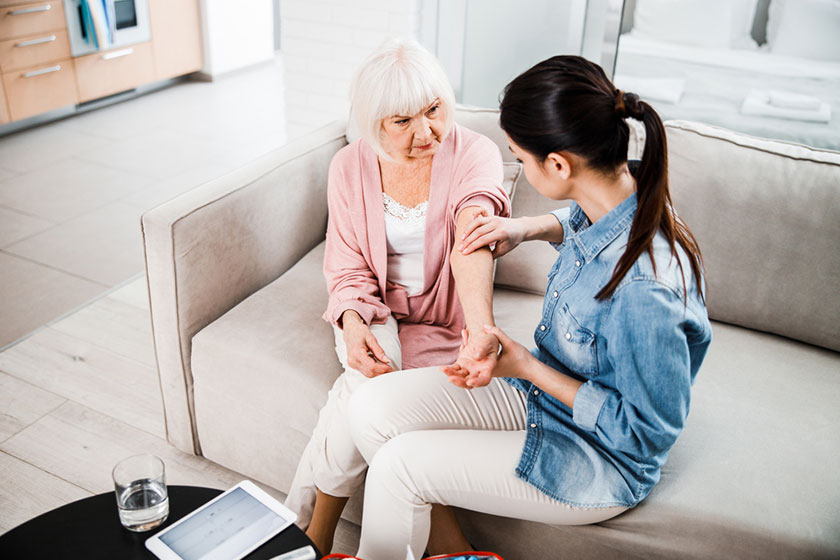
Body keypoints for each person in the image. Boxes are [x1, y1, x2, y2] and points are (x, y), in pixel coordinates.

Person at [346, 55, 713, 559]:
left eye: (521, 158)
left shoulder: (645, 288)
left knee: (397, 466)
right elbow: (588, 219)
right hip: (544, 397)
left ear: (559, 164)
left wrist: (524, 367)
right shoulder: (626, 190)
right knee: (365, 407)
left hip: (597, 456)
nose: (519, 168)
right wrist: (529, 226)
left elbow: (641, 435)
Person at [283, 38, 511, 554]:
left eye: (433, 111)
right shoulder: (347, 166)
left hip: (445, 323)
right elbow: (346, 267)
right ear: (373, 123)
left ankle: (307, 535)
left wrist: (480, 329)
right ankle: (451, 548)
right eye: (401, 121)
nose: (426, 132)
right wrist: (353, 324)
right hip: (373, 311)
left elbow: (476, 230)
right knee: (368, 386)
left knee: (361, 397)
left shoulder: (475, 153)